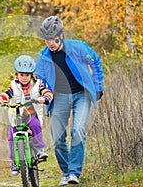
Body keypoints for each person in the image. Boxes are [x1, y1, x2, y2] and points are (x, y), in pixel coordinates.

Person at [35, 16, 104, 186]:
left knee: (78, 130)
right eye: (47, 39)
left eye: (53, 39)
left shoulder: (78, 47)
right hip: (59, 97)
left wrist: (97, 86)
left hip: (81, 94)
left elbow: (95, 61)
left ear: (61, 35)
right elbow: (39, 80)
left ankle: (74, 172)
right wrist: (41, 95)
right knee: (58, 138)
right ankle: (66, 173)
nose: (50, 43)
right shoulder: (43, 57)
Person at [0, 55, 53, 176]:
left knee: (35, 125)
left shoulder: (38, 83)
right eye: (21, 74)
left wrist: (45, 97)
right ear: (17, 74)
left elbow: (46, 92)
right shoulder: (13, 85)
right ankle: (14, 161)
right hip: (17, 115)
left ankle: (39, 150)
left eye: (27, 75)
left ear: (31, 74)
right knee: (11, 138)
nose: (24, 78)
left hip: (31, 113)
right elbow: (5, 95)